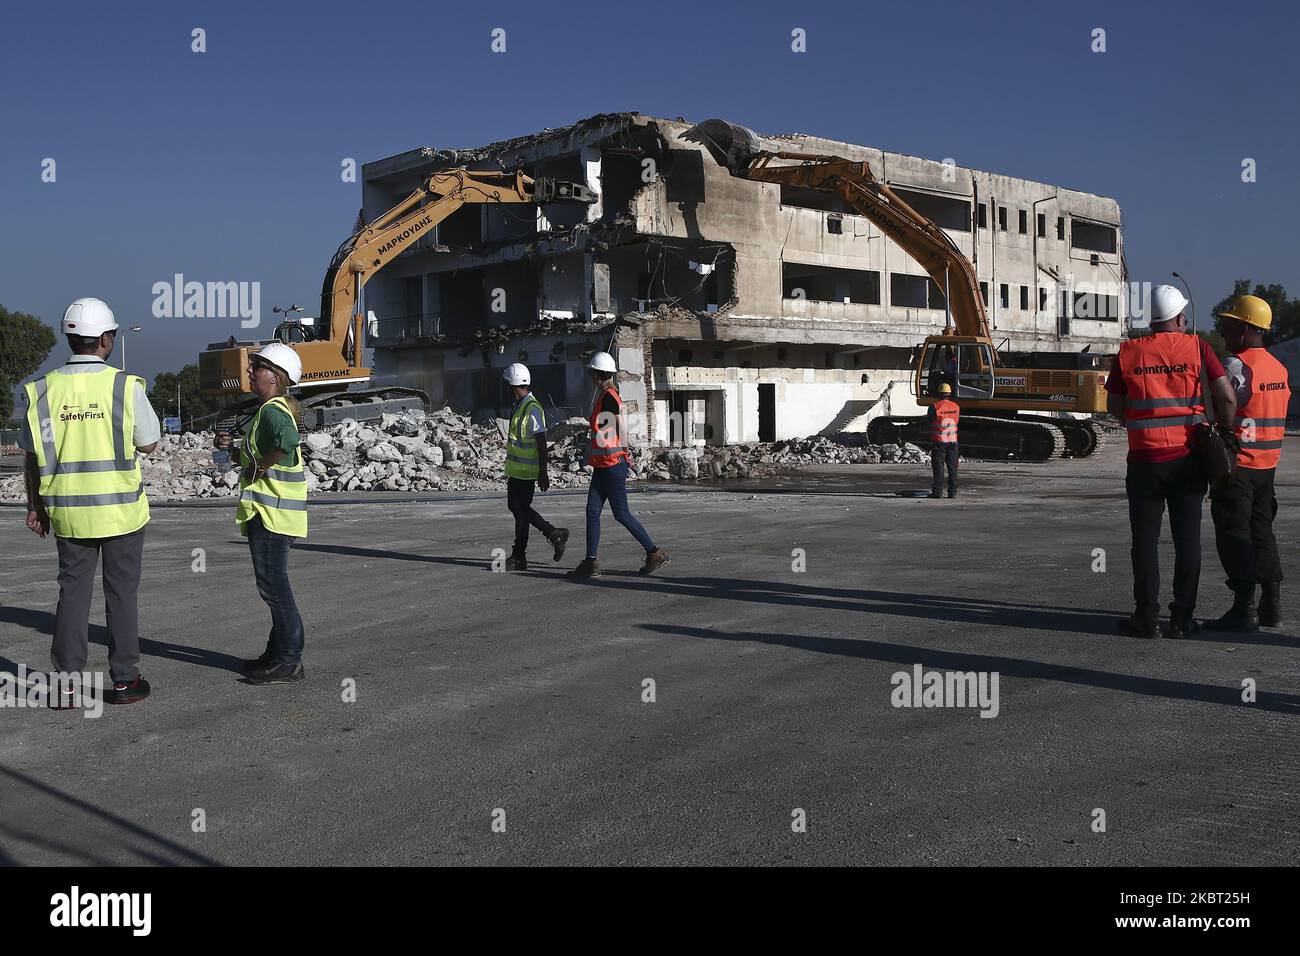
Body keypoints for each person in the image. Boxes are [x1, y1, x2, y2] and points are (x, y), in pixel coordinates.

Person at [19, 297, 160, 707]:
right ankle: (124, 681)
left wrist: (35, 506)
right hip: (121, 514)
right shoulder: (124, 386)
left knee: (73, 595)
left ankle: (65, 687)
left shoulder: (41, 391)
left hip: (69, 515)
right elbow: (148, 444)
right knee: (121, 595)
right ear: (104, 339)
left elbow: (31, 457)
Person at [1106, 284, 1236, 639]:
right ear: (1181, 317)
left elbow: (1114, 406)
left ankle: (1146, 618)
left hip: (1144, 461)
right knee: (1187, 539)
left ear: (1151, 320)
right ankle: (1182, 619)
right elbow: (1225, 396)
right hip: (1188, 460)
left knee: (1144, 541)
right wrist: (1225, 431)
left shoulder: (1129, 352)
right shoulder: (1198, 347)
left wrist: (1137, 424)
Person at [214, 344, 308, 683]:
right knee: (272, 586)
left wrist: (259, 467)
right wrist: (236, 452)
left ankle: (288, 660)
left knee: (275, 588)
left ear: (276, 376)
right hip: (271, 513)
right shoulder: (270, 408)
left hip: (272, 514)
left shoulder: (273, 412)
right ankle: (276, 654)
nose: (250, 372)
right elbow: (262, 454)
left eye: (257, 367)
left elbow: (287, 440)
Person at [1206, 295, 1290, 632]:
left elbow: (1217, 406)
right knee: (1262, 533)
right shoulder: (1278, 367)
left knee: (1233, 533)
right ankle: (1271, 605)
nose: (1223, 332)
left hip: (1237, 467)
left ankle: (1244, 609)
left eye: (1228, 325)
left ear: (1245, 327)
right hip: (1267, 467)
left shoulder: (1235, 367)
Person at [568, 352, 668, 578]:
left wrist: (625, 452)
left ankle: (655, 553)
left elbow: (622, 426)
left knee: (621, 513)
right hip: (603, 465)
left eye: (592, 372)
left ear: (598, 375)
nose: (590, 376)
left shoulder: (610, 397)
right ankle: (590, 563)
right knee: (592, 511)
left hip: (613, 465)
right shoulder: (605, 396)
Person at [501, 362, 568, 571]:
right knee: (516, 508)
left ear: (512, 384)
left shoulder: (532, 408)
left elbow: (541, 441)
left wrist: (543, 471)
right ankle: (553, 533)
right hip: (517, 470)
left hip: (528, 472)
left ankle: (520, 556)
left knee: (520, 513)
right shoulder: (519, 406)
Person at [927, 383, 960, 499]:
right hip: (953, 442)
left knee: (938, 467)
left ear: (938, 393)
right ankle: (952, 492)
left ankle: (937, 492)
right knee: (953, 467)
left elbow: (929, 421)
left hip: (939, 442)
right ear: (949, 393)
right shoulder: (956, 406)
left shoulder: (935, 407)